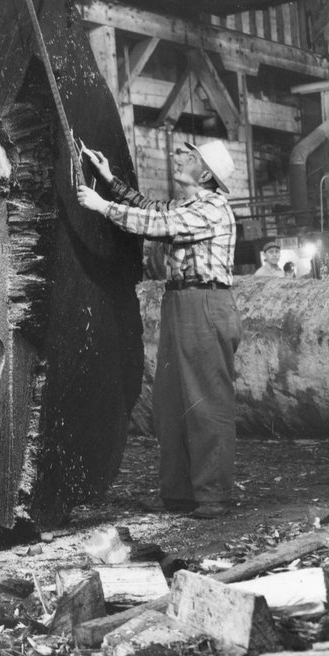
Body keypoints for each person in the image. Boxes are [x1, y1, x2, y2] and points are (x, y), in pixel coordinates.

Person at [76, 139, 241, 520]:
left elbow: (159, 224)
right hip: (180, 303)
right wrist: (110, 181)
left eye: (190, 156)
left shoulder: (214, 208)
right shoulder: (188, 204)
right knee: (171, 403)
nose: (179, 157)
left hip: (206, 304)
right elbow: (151, 207)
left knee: (207, 402)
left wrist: (103, 207)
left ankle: (212, 494)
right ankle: (179, 493)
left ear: (205, 174)